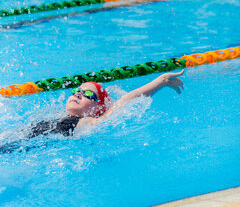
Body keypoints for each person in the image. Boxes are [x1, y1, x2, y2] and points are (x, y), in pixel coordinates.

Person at [0, 70, 184, 152]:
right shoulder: (56, 116)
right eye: (76, 91)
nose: (78, 94)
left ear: (99, 108)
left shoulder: (85, 122)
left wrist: (161, 81)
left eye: (88, 94)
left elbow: (126, 101)